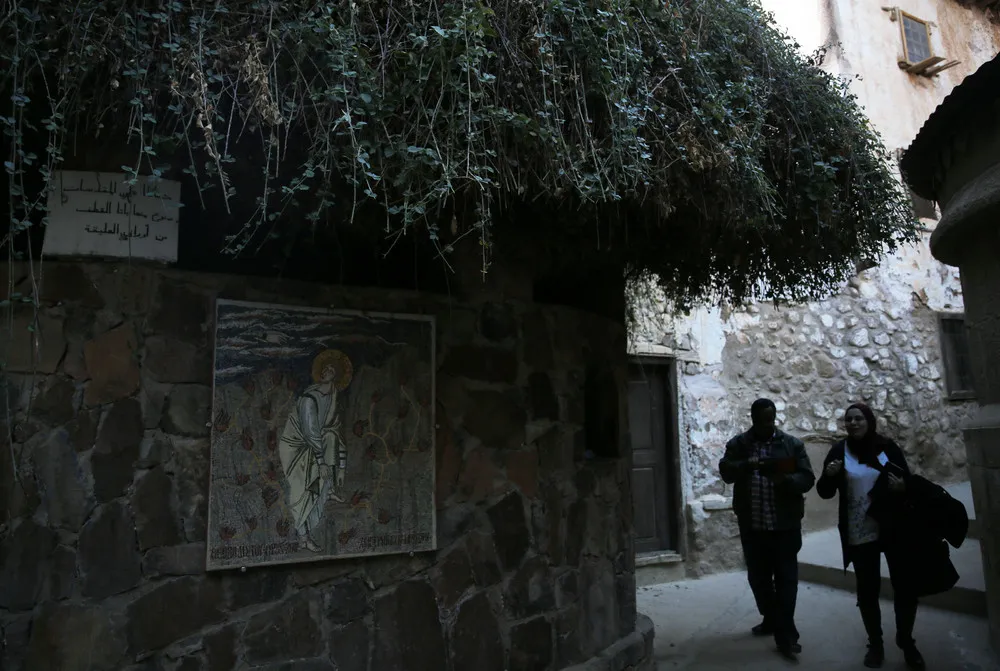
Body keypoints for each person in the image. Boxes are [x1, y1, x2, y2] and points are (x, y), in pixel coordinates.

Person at [816, 402, 925, 669]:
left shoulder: (886, 447)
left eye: (858, 419)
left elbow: (906, 481)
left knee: (905, 587)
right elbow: (825, 492)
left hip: (892, 527)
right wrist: (829, 476)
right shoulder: (839, 451)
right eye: (849, 419)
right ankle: (875, 644)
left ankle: (906, 640)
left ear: (869, 421)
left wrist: (902, 487)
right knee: (867, 591)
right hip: (860, 530)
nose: (853, 423)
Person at [719, 398, 815, 660]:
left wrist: (785, 480)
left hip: (784, 527)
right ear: (753, 419)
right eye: (762, 420)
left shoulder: (791, 445)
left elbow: (807, 478)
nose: (767, 424)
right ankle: (772, 618)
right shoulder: (740, 444)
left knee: (786, 581)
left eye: (771, 419)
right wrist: (746, 465)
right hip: (754, 526)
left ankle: (786, 636)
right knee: (759, 580)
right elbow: (726, 471)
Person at [278, 349, 352, 552]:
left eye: (331, 370)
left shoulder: (333, 399)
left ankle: (327, 489)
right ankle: (303, 536)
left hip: (316, 446)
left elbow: (335, 434)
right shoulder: (309, 399)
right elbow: (311, 433)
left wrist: (341, 468)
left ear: (336, 376)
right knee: (300, 491)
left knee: (329, 436)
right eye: (325, 368)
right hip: (296, 446)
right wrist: (321, 463)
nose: (326, 371)